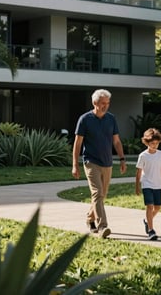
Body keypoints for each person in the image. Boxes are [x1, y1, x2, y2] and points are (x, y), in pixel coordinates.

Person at [71, 89, 127, 238]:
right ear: (94, 103)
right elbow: (77, 144)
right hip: (91, 162)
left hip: (107, 162)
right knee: (97, 193)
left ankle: (90, 218)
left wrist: (122, 159)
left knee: (102, 195)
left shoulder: (111, 119)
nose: (105, 106)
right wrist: (75, 164)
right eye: (103, 103)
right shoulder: (84, 119)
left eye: (107, 103)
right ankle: (103, 226)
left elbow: (116, 141)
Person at [135, 128, 161, 241]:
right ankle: (151, 230)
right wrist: (137, 186)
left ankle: (147, 221)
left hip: (157, 184)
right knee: (150, 206)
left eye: (157, 143)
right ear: (147, 142)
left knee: (157, 207)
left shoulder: (160, 154)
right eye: (152, 143)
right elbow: (138, 171)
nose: (155, 145)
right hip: (146, 183)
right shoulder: (143, 156)